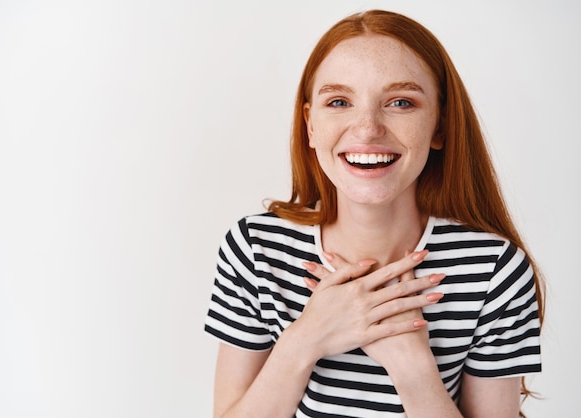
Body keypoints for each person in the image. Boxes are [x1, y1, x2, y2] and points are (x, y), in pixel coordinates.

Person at [204, 9, 543, 418]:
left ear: (439, 126)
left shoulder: (495, 270)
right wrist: (305, 339)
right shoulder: (255, 250)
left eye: (401, 102)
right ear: (311, 125)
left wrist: (413, 369)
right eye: (339, 101)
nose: (367, 128)